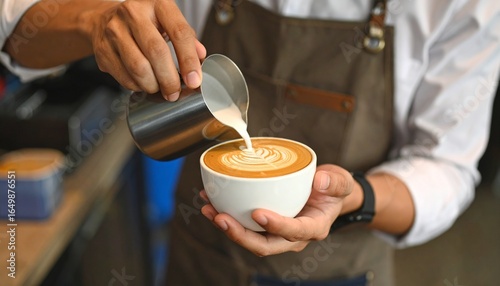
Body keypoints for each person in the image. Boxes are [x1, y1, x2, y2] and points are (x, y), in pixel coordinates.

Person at [1, 0, 499, 285]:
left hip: (343, 273)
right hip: (199, 261)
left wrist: (355, 199)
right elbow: (15, 28)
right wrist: (92, 21)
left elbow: (447, 166)